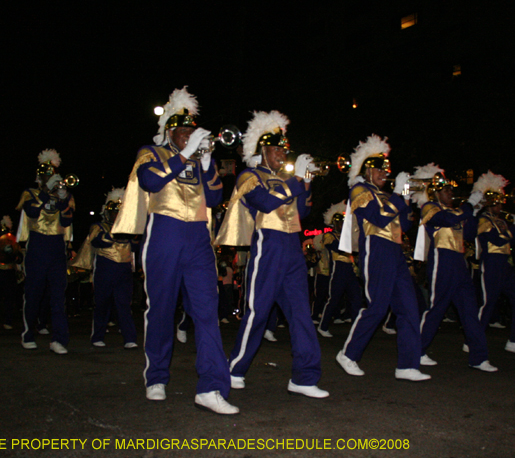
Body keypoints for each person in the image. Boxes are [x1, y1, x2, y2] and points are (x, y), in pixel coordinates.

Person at [112, 86, 237, 414]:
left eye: (191, 132)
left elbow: (212, 199)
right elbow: (150, 183)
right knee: (162, 308)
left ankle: (211, 387)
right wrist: (184, 155)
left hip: (197, 237)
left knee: (207, 311)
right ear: (169, 131)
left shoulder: (198, 159)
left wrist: (207, 162)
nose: (188, 136)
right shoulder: (151, 152)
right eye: (182, 131)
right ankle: (156, 376)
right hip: (164, 234)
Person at [215, 110, 329, 398]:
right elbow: (264, 203)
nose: (281, 153)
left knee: (301, 314)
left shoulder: (284, 178)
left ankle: (304, 377)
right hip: (268, 247)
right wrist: (295, 182)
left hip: (292, 248)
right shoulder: (249, 175)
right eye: (275, 148)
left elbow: (302, 212)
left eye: (283, 148)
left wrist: (306, 182)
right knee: (258, 312)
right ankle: (235, 368)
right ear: (261, 150)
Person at [335, 135, 430, 382]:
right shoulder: (358, 189)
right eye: (378, 169)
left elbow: (406, 223)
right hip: (376, 249)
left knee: (409, 308)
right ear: (366, 170)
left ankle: (407, 365)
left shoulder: (388, 195)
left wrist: (406, 197)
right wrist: (397, 194)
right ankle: (348, 353)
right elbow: (378, 218)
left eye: (385, 170)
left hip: (396, 252)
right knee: (376, 307)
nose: (383, 174)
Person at [413, 163, 497, 372]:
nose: (451, 193)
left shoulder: (457, 211)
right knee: (436, 309)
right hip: (442, 261)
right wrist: (469, 205)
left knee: (470, 310)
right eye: (446, 190)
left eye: (451, 190)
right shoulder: (430, 207)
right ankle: (415, 351)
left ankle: (479, 357)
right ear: (436, 193)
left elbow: (469, 235)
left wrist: (475, 211)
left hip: (459, 262)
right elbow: (448, 220)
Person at [16, 150, 74, 354]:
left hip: (57, 246)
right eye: (47, 174)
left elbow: (67, 220)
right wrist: (45, 191)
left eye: (53, 174)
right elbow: (31, 211)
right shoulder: (29, 193)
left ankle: (59, 339)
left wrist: (63, 199)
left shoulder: (64, 194)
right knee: (33, 294)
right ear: (40, 176)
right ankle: (27, 334)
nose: (52, 178)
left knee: (58, 296)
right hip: (38, 246)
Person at [472, 171, 515, 355]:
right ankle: (473, 339)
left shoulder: (501, 222)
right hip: (491, 262)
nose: (500, 205)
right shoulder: (483, 220)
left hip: (505, 263)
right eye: (496, 201)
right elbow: (497, 241)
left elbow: (511, 242)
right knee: (488, 303)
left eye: (501, 201)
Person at [71, 188, 138, 349]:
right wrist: (117, 232)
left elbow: (136, 245)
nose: (117, 215)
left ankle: (129, 338)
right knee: (102, 304)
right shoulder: (99, 226)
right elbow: (98, 241)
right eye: (114, 212)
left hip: (124, 270)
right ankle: (97, 336)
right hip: (105, 268)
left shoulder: (129, 228)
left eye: (119, 212)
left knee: (124, 305)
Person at [317, 201, 362, 338]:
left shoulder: (349, 237)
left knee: (357, 298)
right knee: (334, 298)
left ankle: (356, 327)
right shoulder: (329, 235)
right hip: (338, 267)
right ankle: (323, 326)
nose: (341, 225)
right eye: (339, 222)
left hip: (350, 268)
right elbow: (337, 248)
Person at [0, 216, 22, 330]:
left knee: (9, 298)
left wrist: (13, 254)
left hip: (9, 271)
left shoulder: (14, 241)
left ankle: (8, 321)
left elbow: (20, 257)